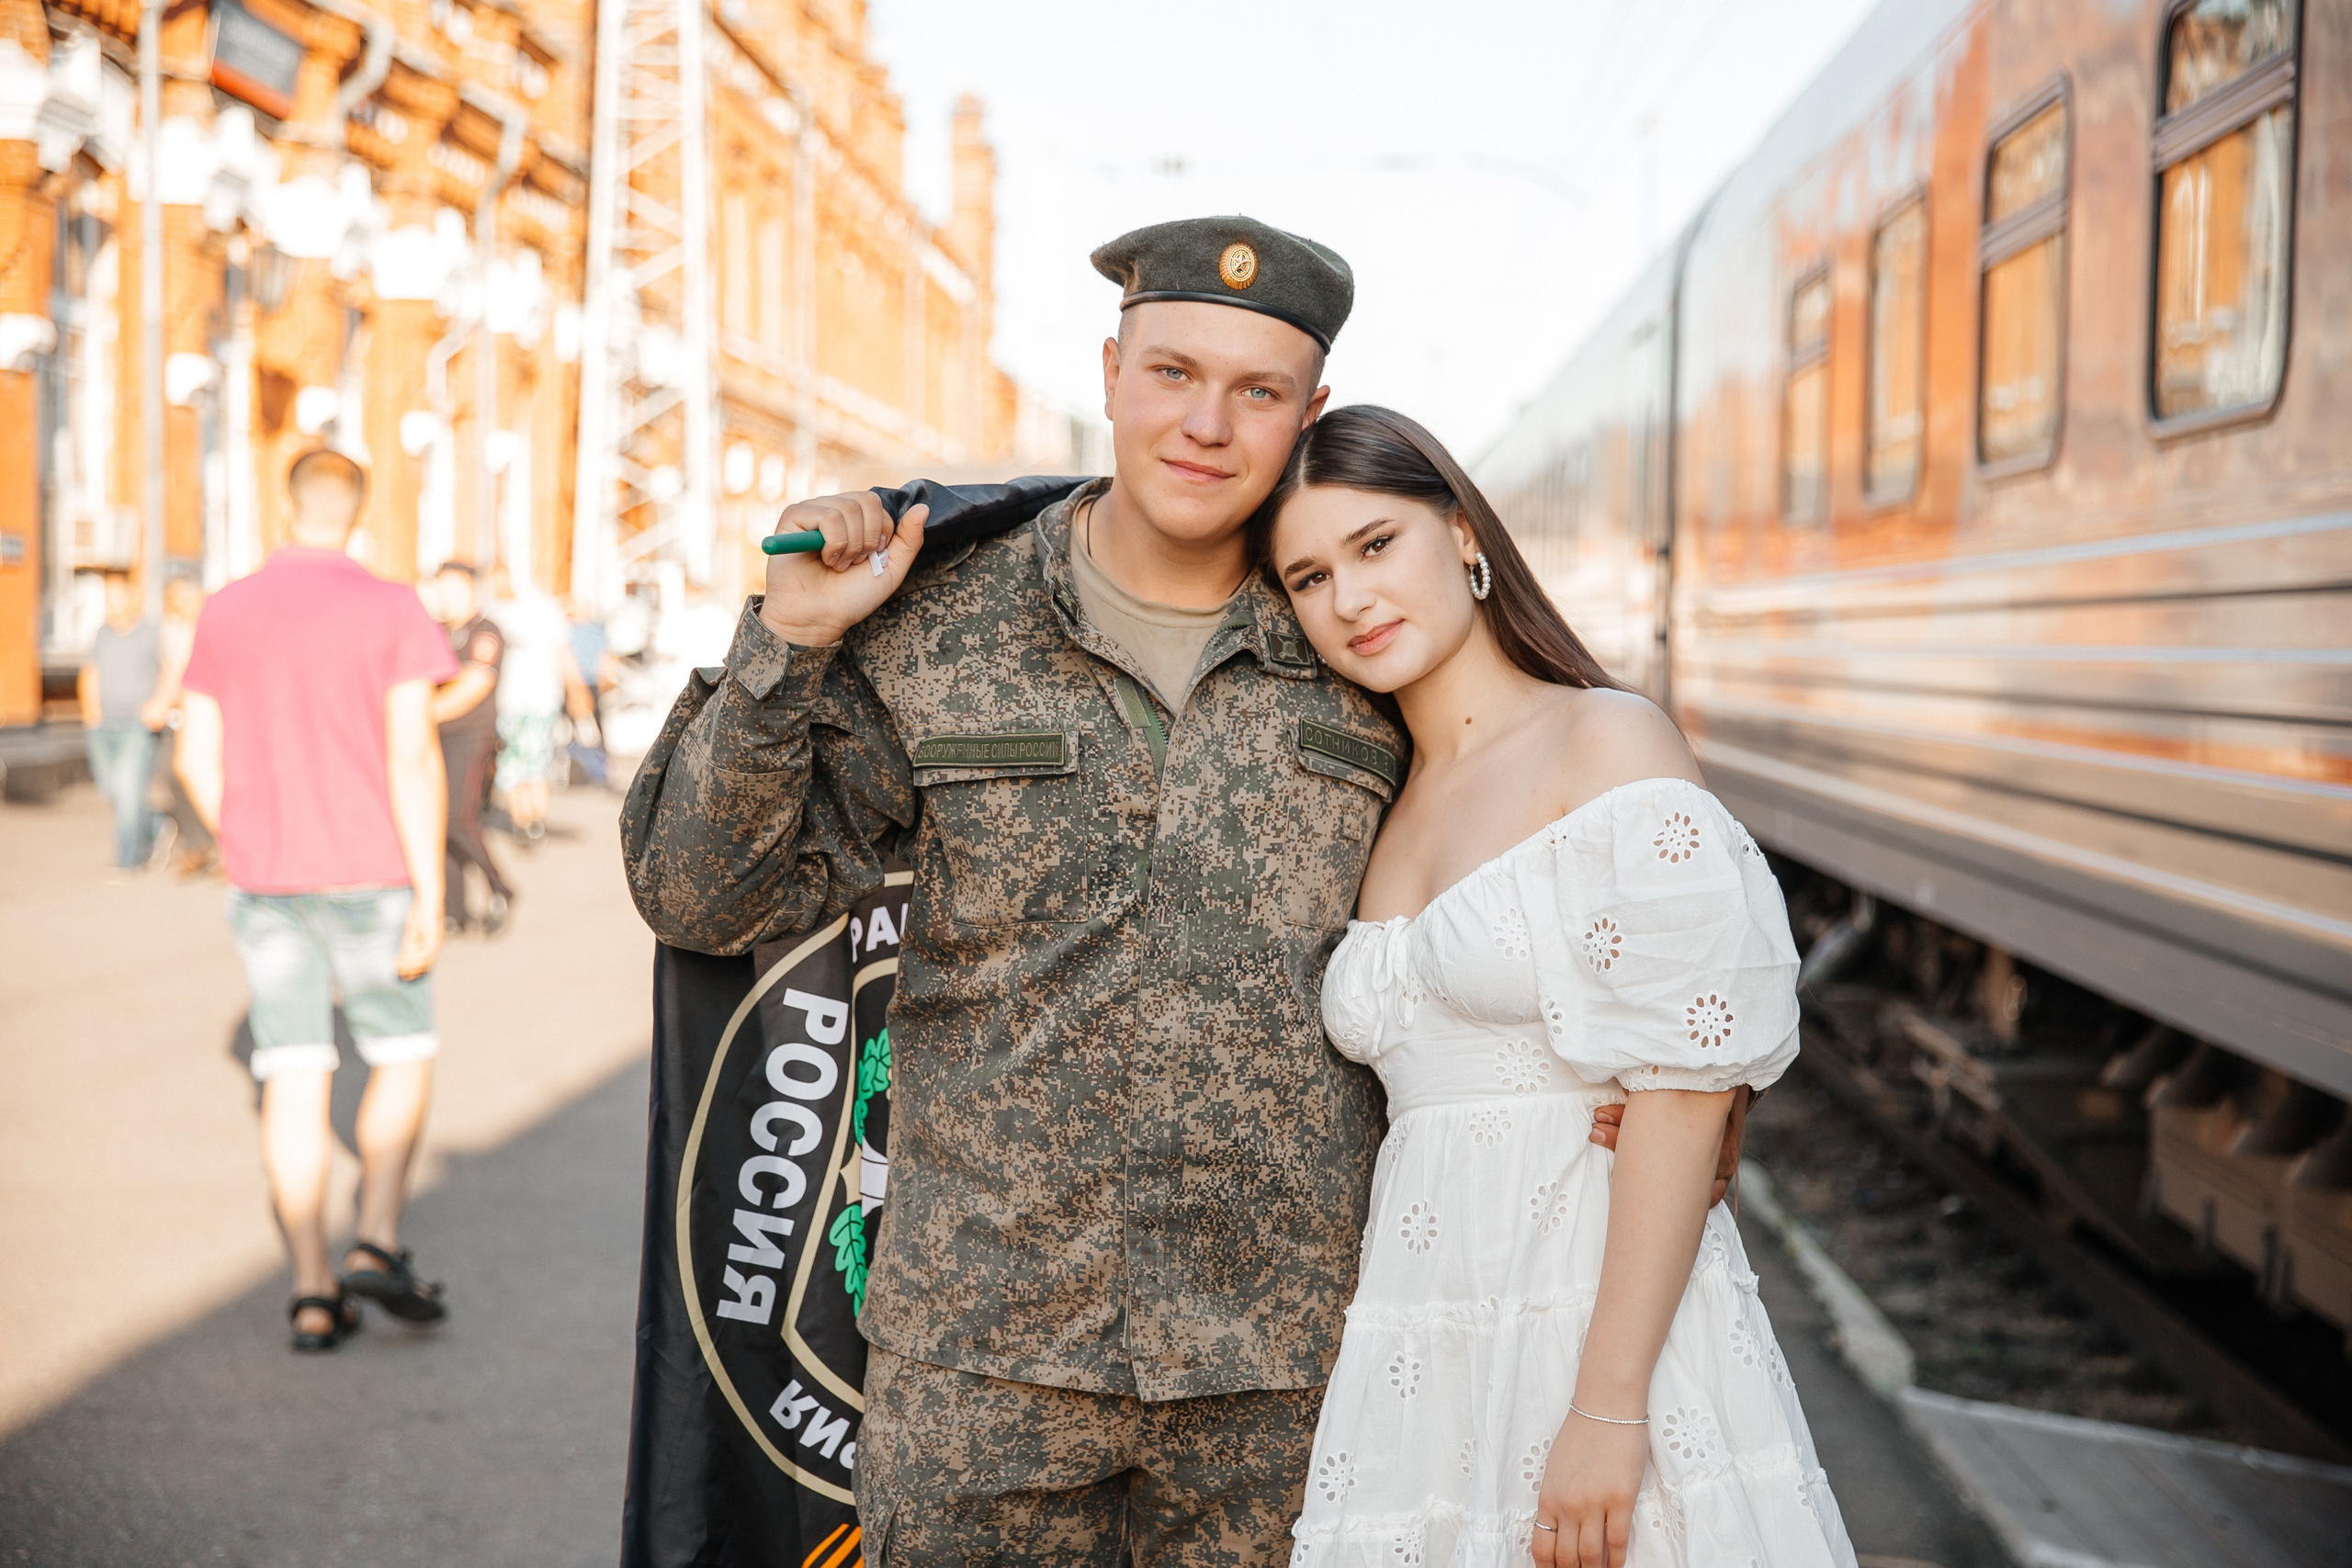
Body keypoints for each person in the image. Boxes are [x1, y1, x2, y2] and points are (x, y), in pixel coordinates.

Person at [625, 218, 1751, 1563]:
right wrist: (785, 642)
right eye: (1171, 372)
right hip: (985, 1364)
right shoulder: (938, 620)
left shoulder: (1358, 633)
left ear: (1308, 414)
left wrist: (1665, 1098)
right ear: (1110, 371)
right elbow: (701, 897)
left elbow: (1600, 897)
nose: (1206, 422)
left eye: (1258, 391)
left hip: (1289, 1373)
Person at [1261, 407, 1852, 1568]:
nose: (1348, 599)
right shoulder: (1378, 801)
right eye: (1308, 576)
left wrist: (1608, 1409)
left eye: (1376, 545)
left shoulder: (1605, 742)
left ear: (1465, 536)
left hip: (1592, 1315)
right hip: (1423, 1333)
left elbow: (1687, 1081)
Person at [174, 448, 458, 1352]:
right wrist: (433, 887)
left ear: (285, 505)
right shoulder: (390, 607)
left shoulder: (227, 609)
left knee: (294, 1076)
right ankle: (374, 1237)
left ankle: (307, 1291)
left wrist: (243, 836)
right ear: (358, 512)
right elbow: (413, 756)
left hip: (268, 879)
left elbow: (192, 754)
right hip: (371, 870)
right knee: (401, 1049)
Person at [427, 562, 513, 931]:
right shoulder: (438, 631)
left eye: (453, 591)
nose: (445, 599)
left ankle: (501, 888)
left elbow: (473, 685)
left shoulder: (484, 632)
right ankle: (454, 910)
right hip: (436, 738)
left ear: (471, 591)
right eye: (440, 590)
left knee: (459, 819)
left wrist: (421, 714)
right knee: (438, 822)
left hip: (470, 738)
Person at [77, 568, 169, 870]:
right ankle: (156, 823)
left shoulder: (151, 632)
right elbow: (91, 671)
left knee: (129, 792)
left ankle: (128, 861)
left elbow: (171, 670)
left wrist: (159, 704)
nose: (112, 606)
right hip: (102, 726)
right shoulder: (102, 633)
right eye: (109, 600)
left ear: (133, 601)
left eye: (118, 599)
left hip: (137, 726)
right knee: (111, 789)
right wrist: (89, 709)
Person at [485, 565, 576, 842]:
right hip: (507, 702)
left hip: (540, 699)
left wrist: (576, 690)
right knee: (512, 761)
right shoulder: (493, 612)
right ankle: (522, 820)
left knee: (536, 759)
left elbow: (563, 654)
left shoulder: (544, 609)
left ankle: (534, 818)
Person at [155, 575, 219, 877]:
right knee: (176, 780)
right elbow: (171, 671)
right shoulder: (172, 630)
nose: (184, 606)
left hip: (214, 716)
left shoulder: (215, 630)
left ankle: (225, 849)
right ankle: (198, 844)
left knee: (217, 777)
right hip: (179, 717)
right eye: (178, 600)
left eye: (189, 600)